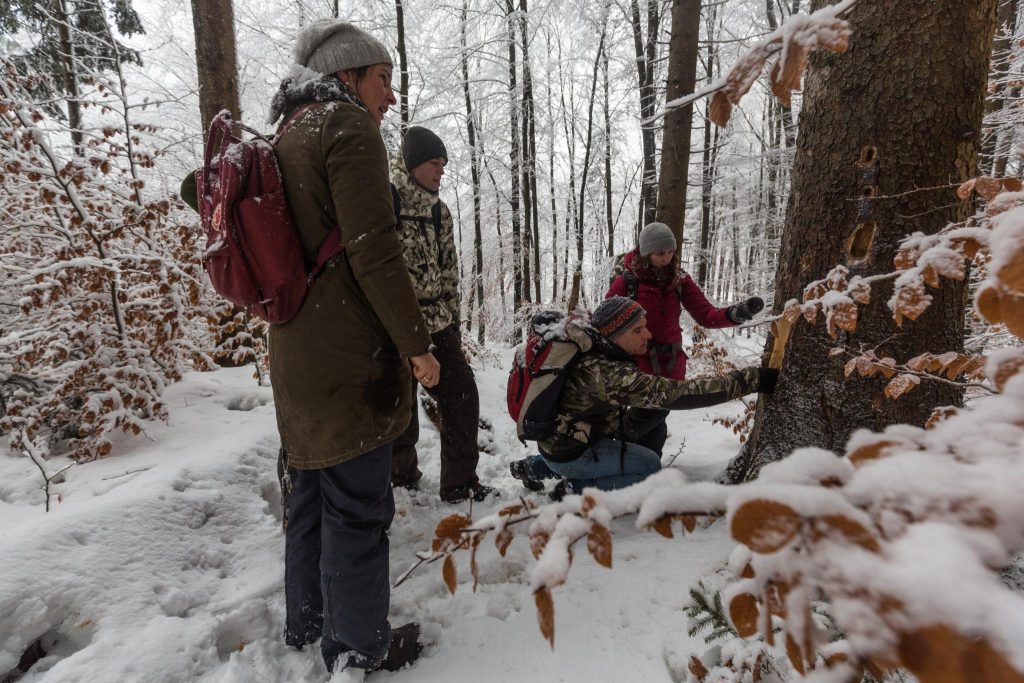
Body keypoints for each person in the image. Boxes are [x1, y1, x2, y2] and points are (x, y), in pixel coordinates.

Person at [266, 19, 439, 675]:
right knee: (359, 511)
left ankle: (307, 623)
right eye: (382, 78)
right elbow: (374, 250)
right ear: (346, 75)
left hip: (293, 356)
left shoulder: (287, 134)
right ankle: (360, 642)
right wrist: (417, 344)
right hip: (347, 361)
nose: (390, 96)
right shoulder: (346, 128)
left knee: (309, 498)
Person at [511, 297, 776, 500]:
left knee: (650, 415)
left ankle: (533, 468)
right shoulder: (607, 373)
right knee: (648, 466)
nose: (648, 335)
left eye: (645, 327)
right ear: (614, 335)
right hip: (570, 452)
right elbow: (680, 394)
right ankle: (571, 490)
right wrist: (753, 379)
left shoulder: (591, 351)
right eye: (637, 330)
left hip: (556, 442)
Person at [389, 126, 495, 504]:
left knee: (462, 394)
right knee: (399, 405)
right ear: (413, 164)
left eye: (444, 163)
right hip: (393, 324)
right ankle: (400, 478)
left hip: (437, 323)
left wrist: (452, 329)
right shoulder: (387, 201)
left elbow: (450, 273)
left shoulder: (439, 212)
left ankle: (459, 483)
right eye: (434, 163)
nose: (441, 170)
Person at [604, 222, 764, 456]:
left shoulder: (680, 279)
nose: (667, 257)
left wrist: (736, 313)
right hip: (639, 364)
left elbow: (706, 315)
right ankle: (627, 461)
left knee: (656, 423)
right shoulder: (627, 283)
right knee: (646, 418)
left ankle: (641, 468)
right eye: (661, 253)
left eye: (671, 251)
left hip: (672, 364)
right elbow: (606, 319)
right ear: (647, 252)